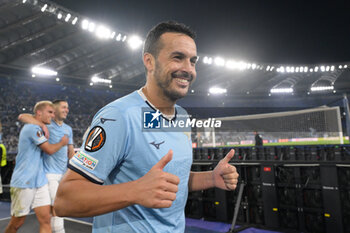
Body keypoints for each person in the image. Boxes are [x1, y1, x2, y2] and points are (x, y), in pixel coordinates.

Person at [54, 21, 239, 233]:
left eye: (193, 61)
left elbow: (169, 180)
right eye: (177, 57)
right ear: (149, 62)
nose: (188, 69)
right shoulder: (119, 116)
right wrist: (136, 190)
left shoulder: (181, 117)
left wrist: (210, 177)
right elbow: (64, 200)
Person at [5, 101, 69, 233]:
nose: (52, 115)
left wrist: (41, 124)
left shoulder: (39, 127)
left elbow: (25, 116)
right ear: (39, 113)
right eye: (50, 112)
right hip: (24, 182)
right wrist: (63, 143)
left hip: (40, 181)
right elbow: (49, 150)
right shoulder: (32, 129)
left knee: (46, 220)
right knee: (17, 223)